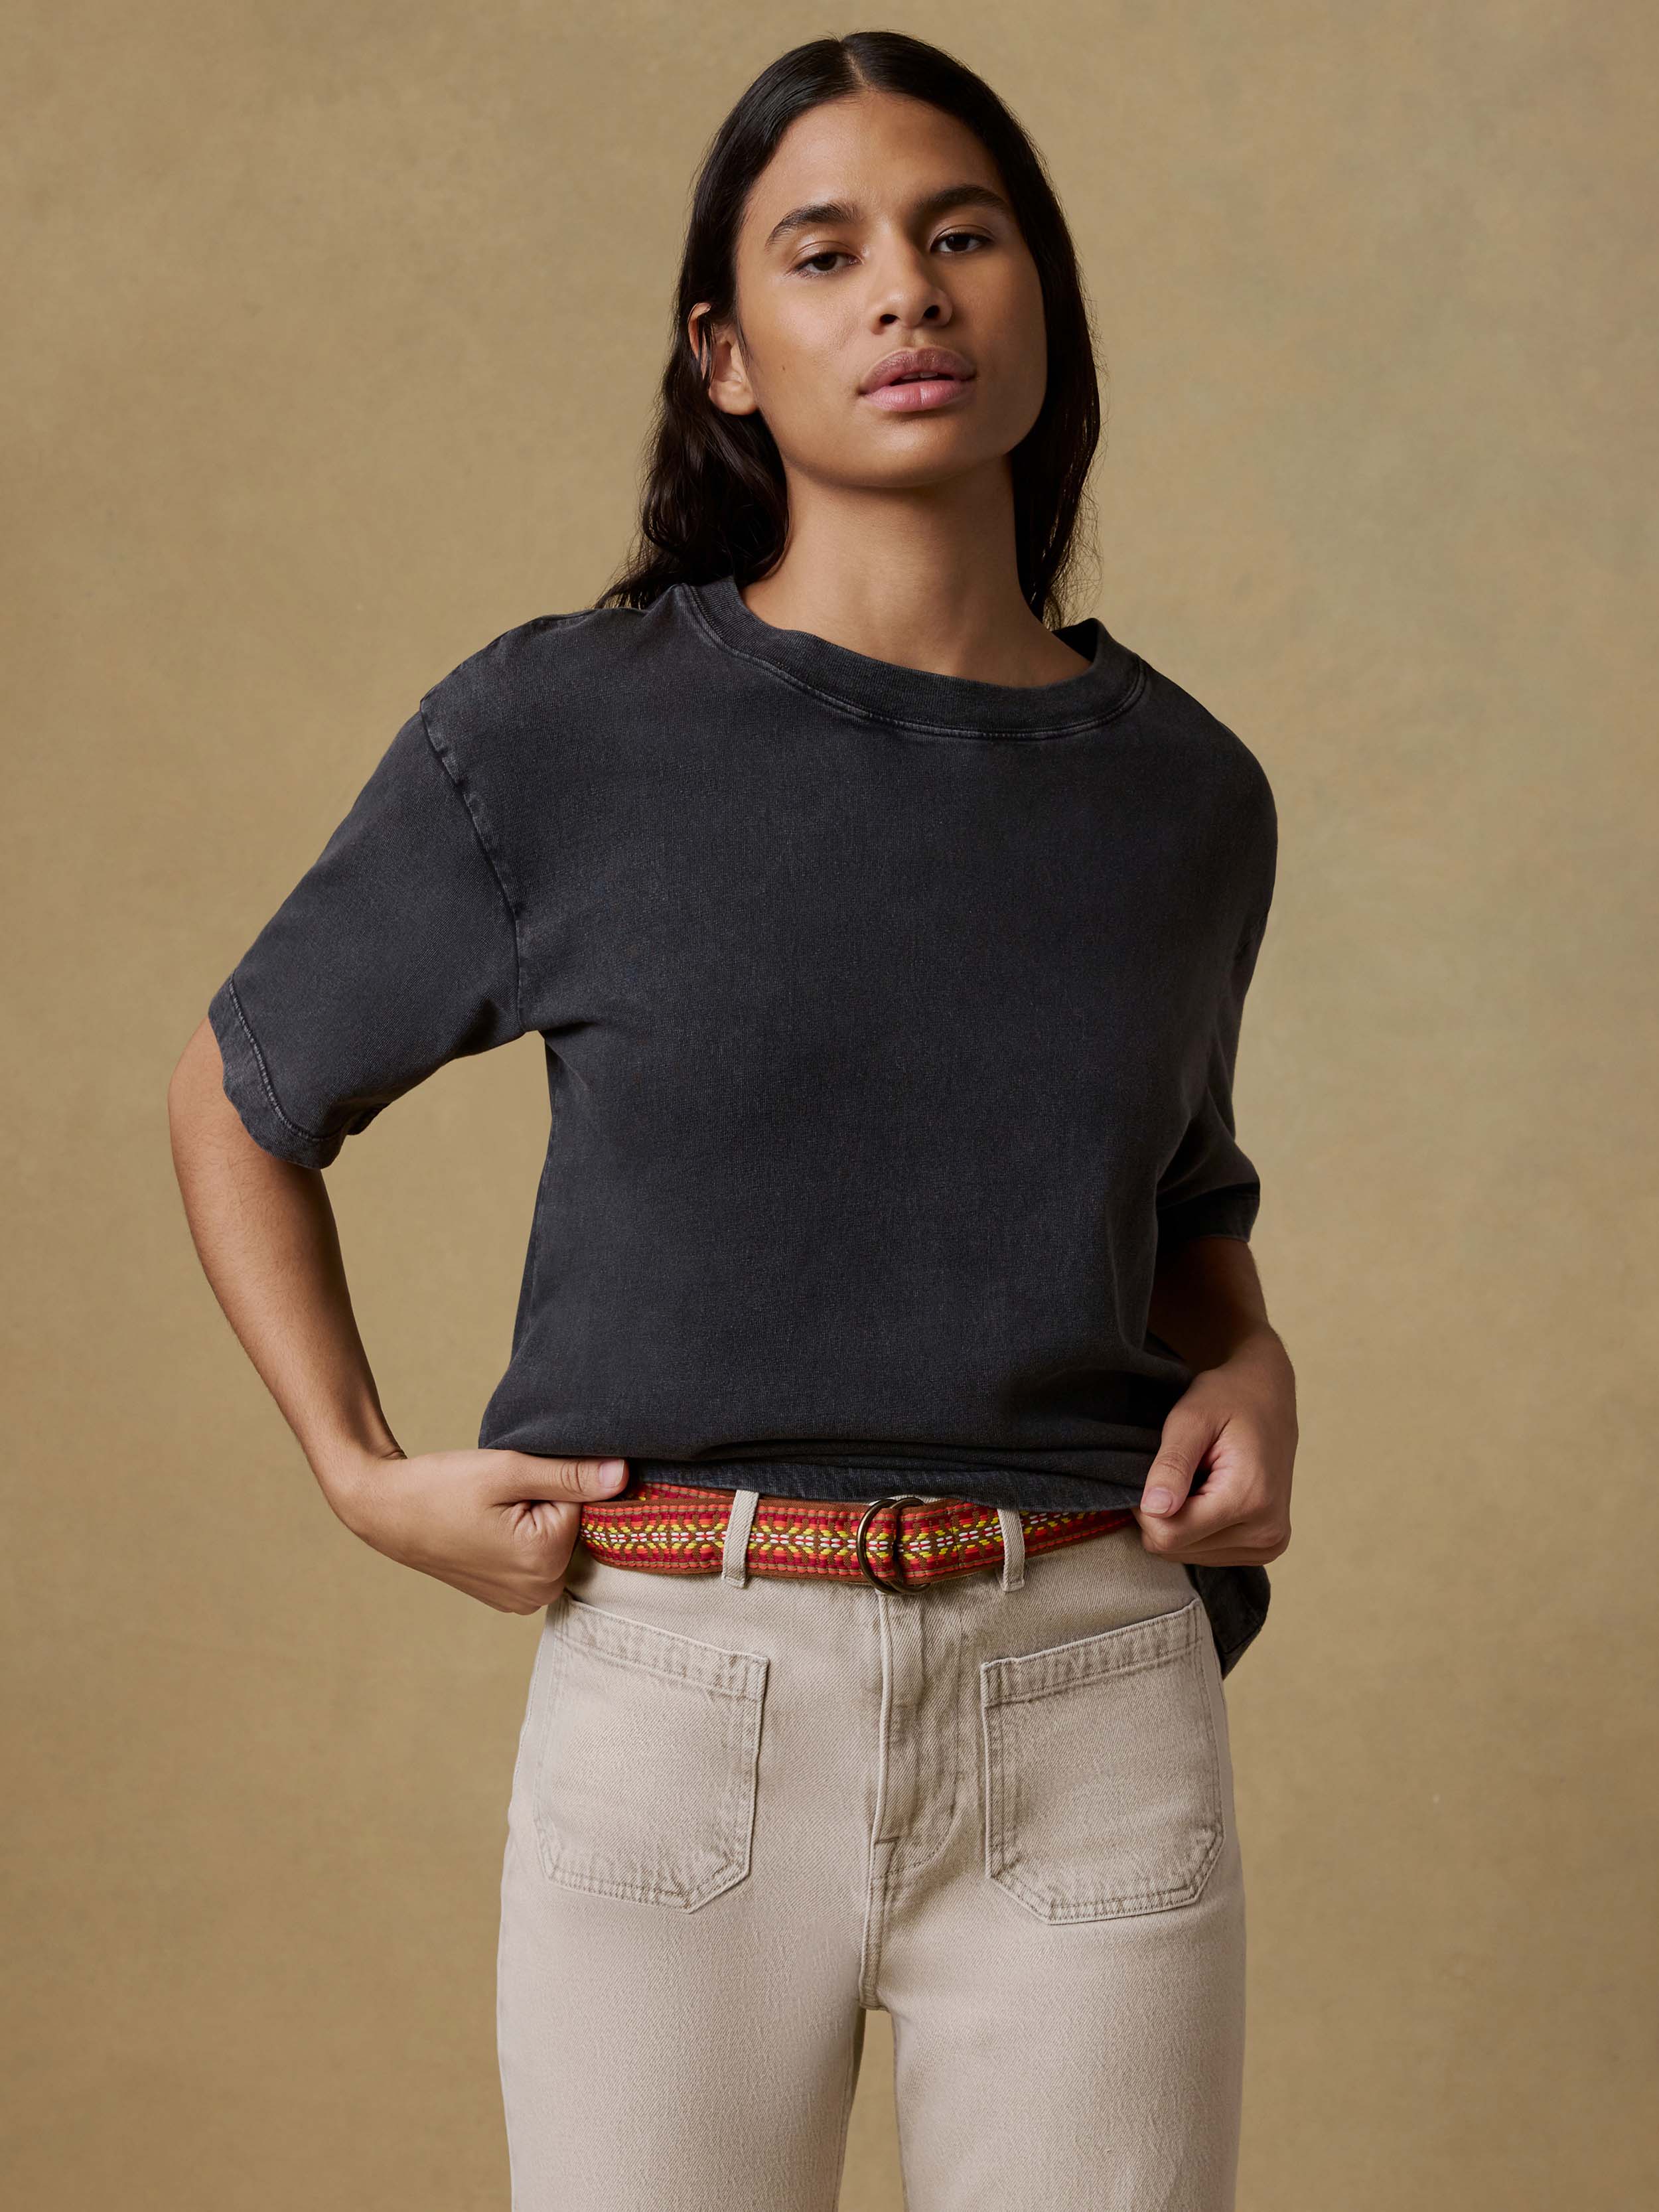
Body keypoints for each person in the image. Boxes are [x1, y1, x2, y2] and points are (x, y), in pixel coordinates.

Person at [168, 29, 1296, 2212]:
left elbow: (1165, 1193)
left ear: (1040, 302)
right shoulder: (562, 732)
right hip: (683, 1680)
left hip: (1087, 1687)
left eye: (962, 233)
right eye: (827, 250)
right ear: (724, 355)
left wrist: (1246, 1356)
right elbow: (242, 1090)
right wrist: (356, 1470)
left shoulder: (1184, 792)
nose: (908, 291)